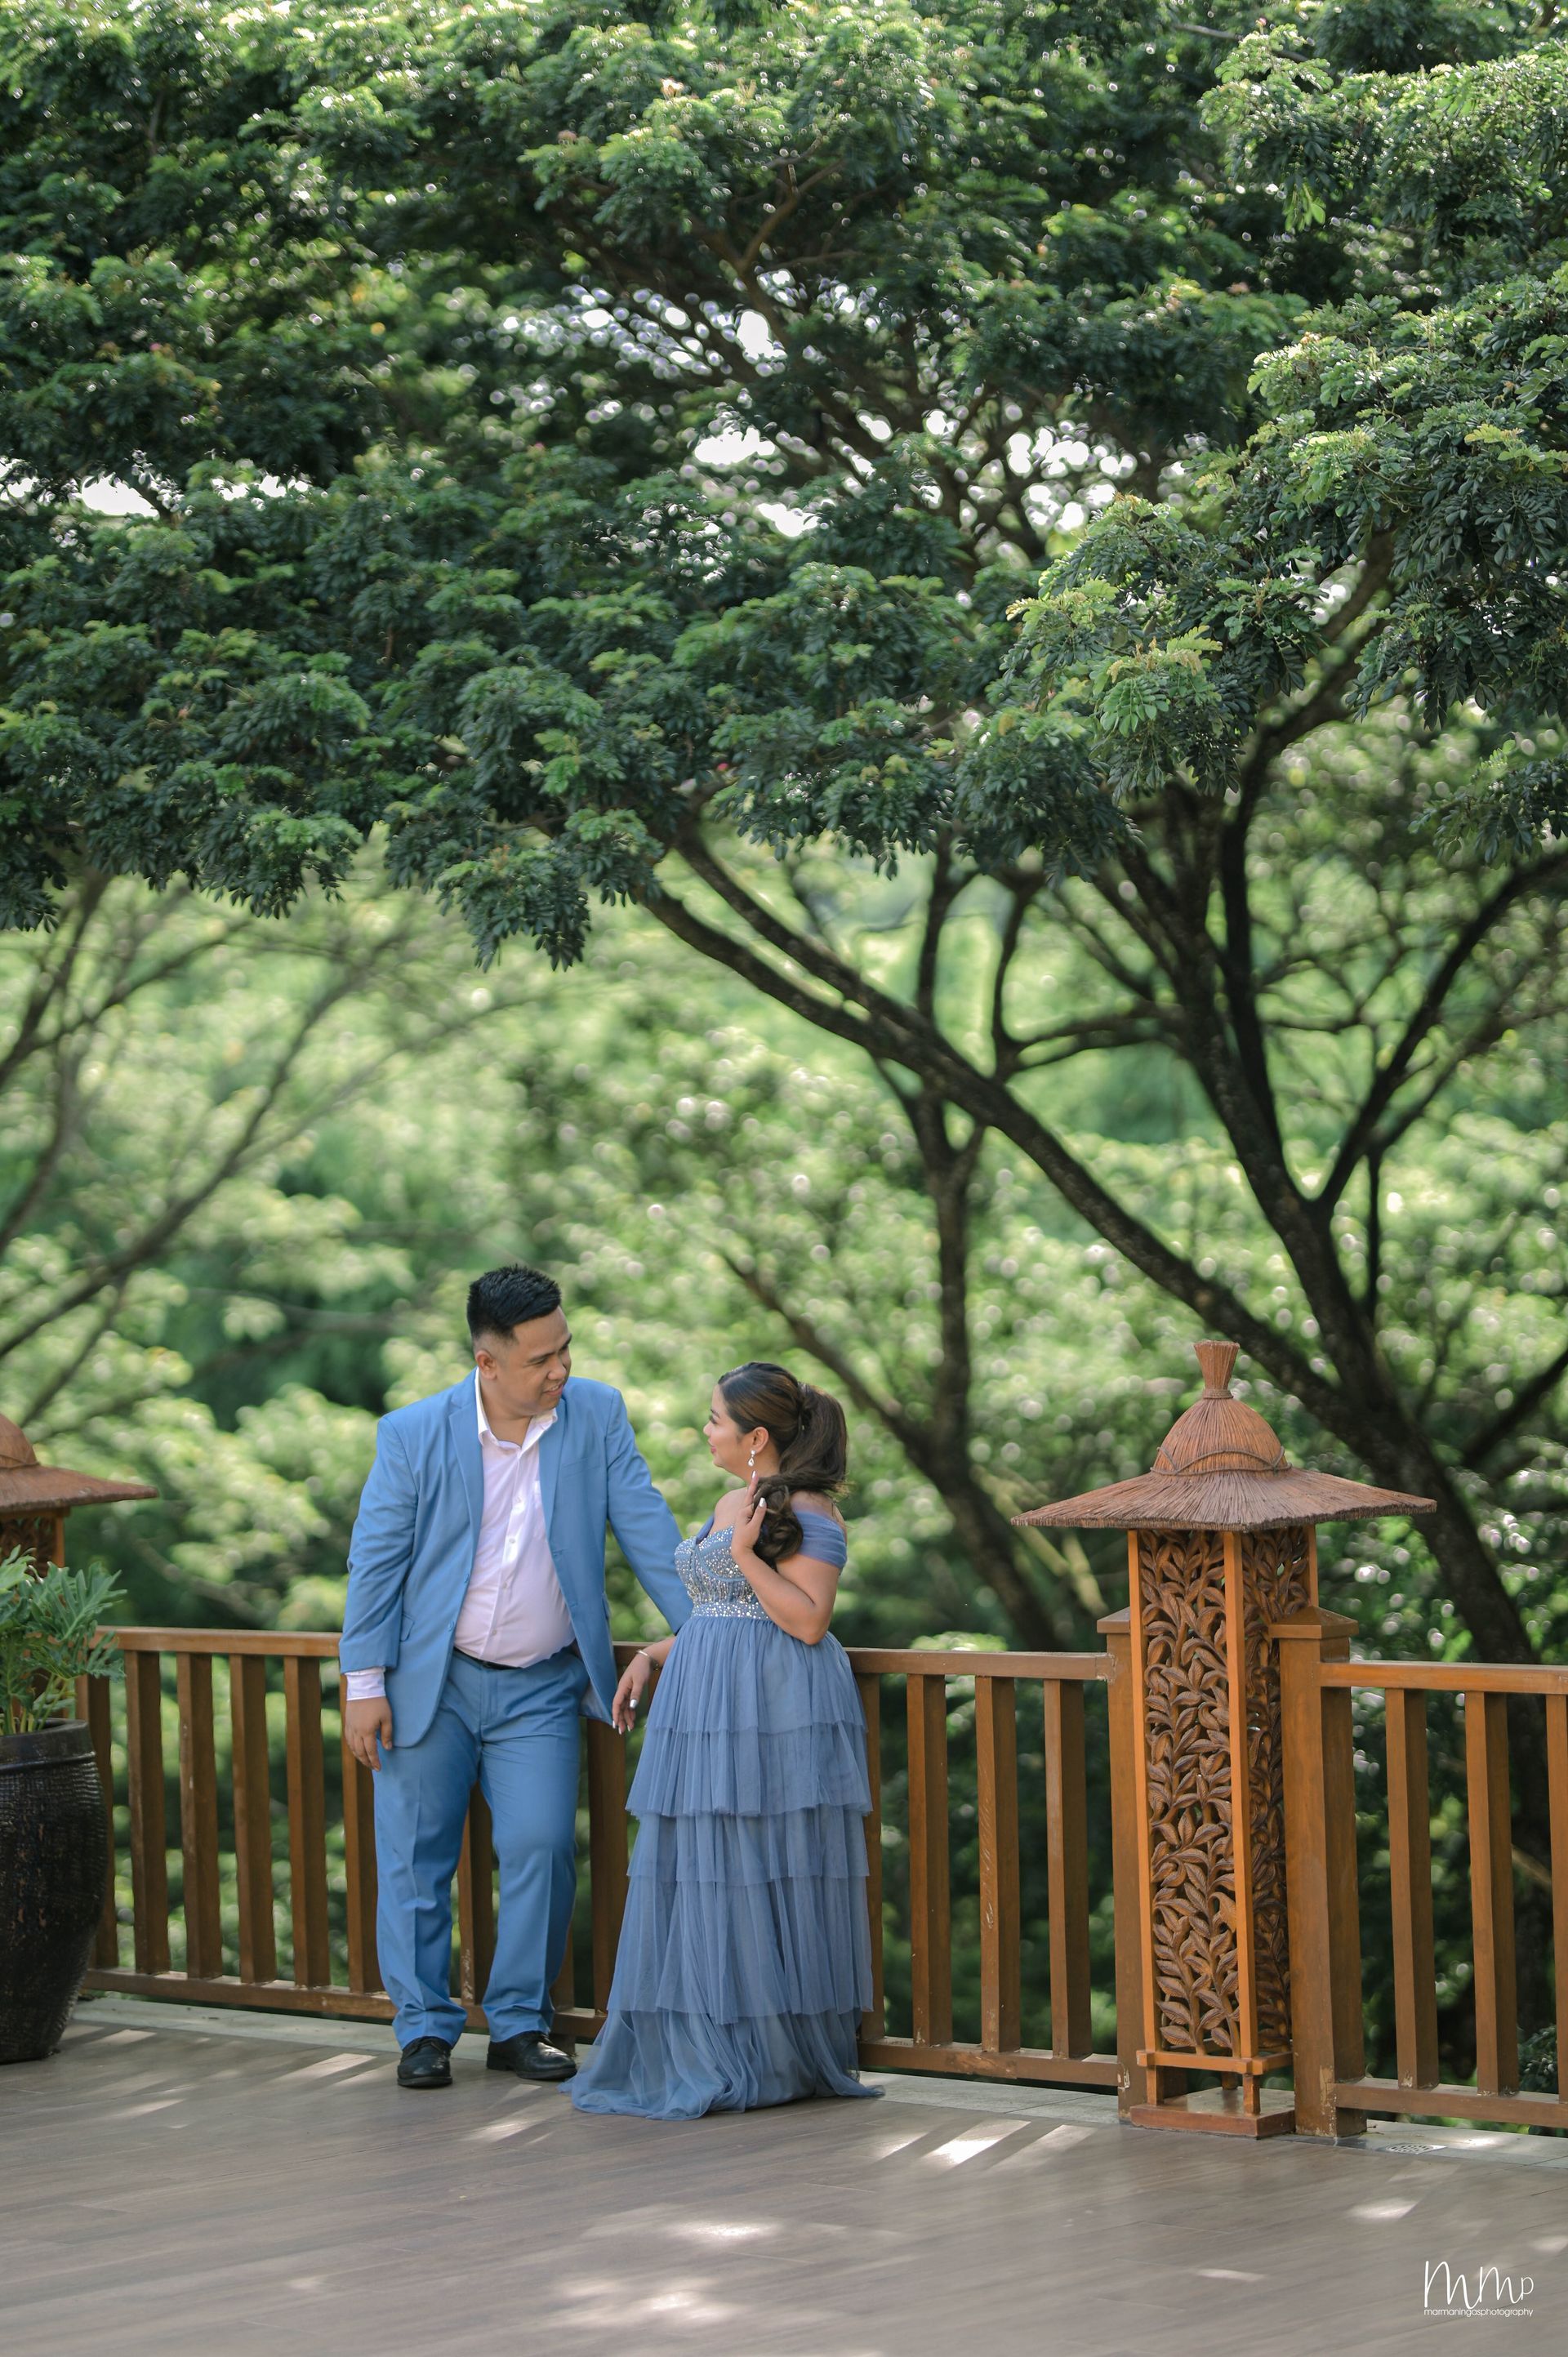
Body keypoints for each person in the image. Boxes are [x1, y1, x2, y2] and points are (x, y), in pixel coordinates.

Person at [340, 1263, 690, 2091]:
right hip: (430, 1683)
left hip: (541, 1684)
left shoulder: (596, 1414)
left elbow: (646, 1525)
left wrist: (707, 1624)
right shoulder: (413, 1434)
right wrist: (364, 1684)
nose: (560, 1369)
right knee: (415, 1859)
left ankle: (520, 2023)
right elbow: (375, 1564)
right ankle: (424, 2031)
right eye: (540, 1359)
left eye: (565, 1349)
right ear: (487, 1362)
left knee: (540, 1846)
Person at [571, 1361, 879, 2119]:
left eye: (715, 1418)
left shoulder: (810, 1511)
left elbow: (808, 1620)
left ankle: (767, 2053)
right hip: (706, 1697)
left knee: (757, 1862)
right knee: (703, 1863)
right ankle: (705, 2039)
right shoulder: (730, 1500)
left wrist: (743, 1554)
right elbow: (719, 1612)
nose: (705, 1430)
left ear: (757, 1437)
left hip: (769, 1702)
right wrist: (653, 1655)